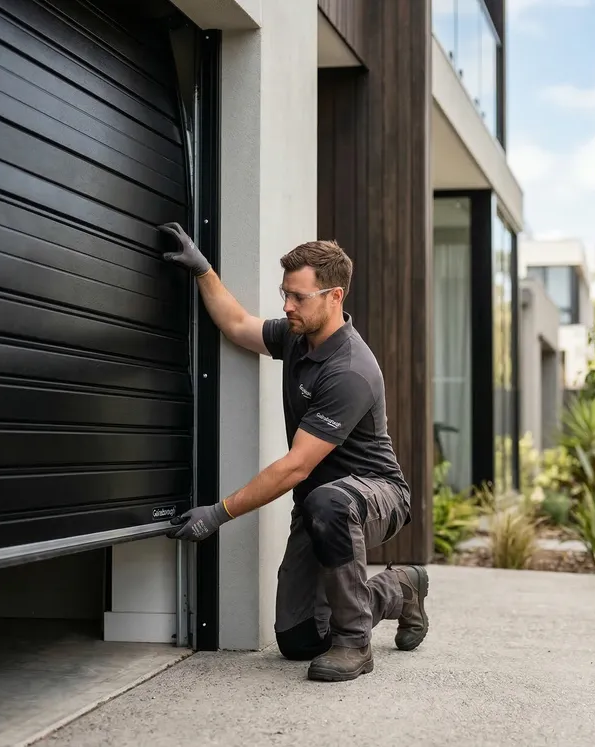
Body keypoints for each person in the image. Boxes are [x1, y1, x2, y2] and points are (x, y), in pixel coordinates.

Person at [157, 223, 429, 682]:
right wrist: (203, 270)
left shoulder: (350, 370)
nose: (287, 305)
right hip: (321, 505)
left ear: (334, 297)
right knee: (299, 639)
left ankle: (355, 645)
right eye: (285, 293)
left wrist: (219, 513)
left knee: (326, 499)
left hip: (376, 495)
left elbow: (296, 466)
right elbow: (238, 324)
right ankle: (401, 587)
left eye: (298, 297)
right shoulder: (297, 337)